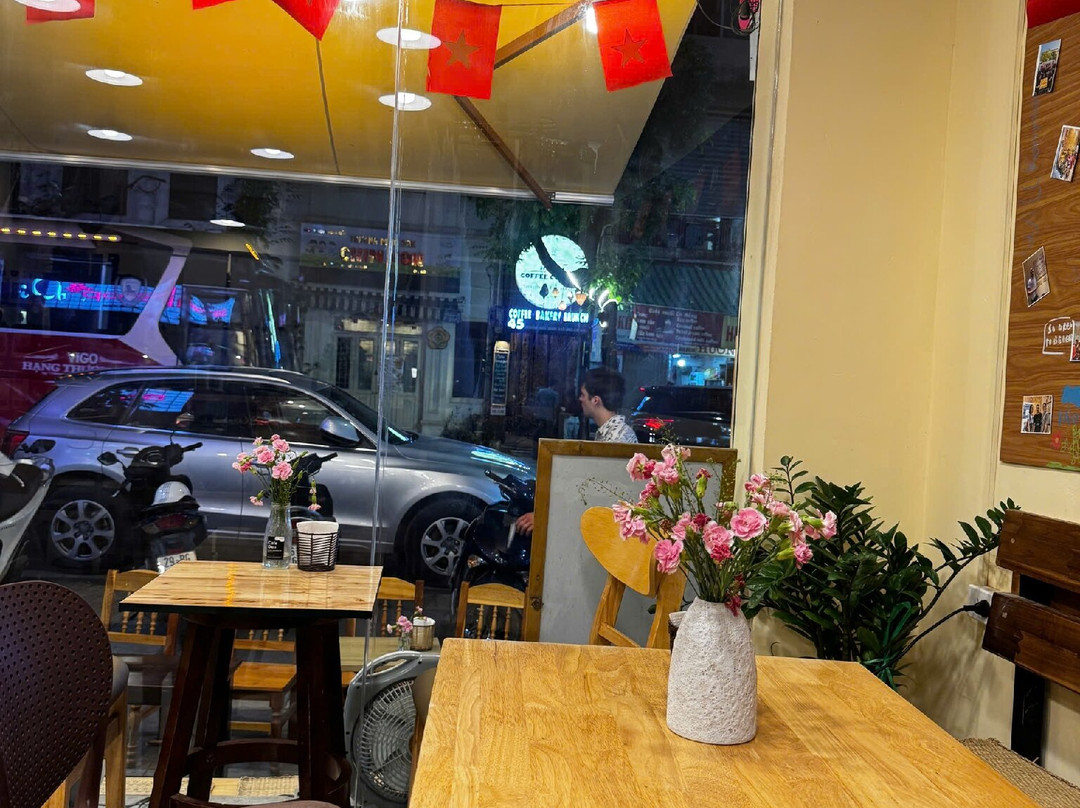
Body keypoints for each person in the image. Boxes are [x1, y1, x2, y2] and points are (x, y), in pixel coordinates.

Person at [515, 367, 637, 535]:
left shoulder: (617, 438)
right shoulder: (609, 433)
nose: (580, 399)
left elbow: (600, 493)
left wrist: (547, 516)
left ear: (595, 400)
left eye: (583, 394)